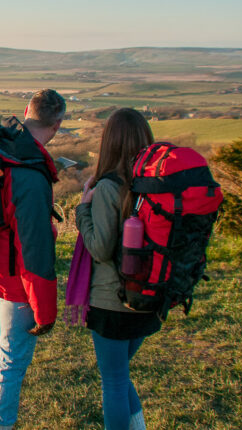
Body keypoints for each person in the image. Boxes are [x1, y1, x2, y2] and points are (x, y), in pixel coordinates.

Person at [0, 89, 65, 430]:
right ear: (58, 124)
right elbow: (34, 252)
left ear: (26, 111)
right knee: (10, 358)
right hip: (14, 283)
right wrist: (46, 313)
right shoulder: (31, 174)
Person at [75, 108, 162, 430]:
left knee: (113, 381)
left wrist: (83, 210)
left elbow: (99, 248)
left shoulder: (110, 187)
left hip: (114, 301)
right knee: (120, 375)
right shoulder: (156, 186)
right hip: (152, 296)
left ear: (109, 141)